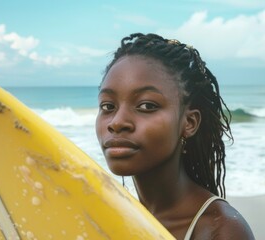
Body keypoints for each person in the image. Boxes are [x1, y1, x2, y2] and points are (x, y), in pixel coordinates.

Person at [95, 33, 254, 239]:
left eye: (146, 106)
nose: (116, 122)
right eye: (108, 106)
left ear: (189, 123)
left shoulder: (220, 231)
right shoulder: (113, 219)